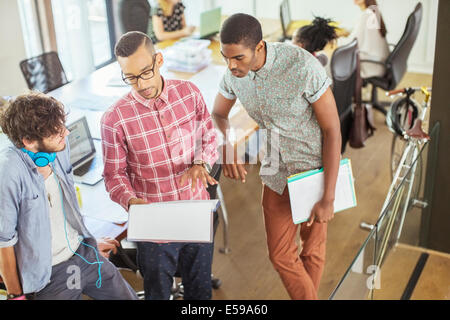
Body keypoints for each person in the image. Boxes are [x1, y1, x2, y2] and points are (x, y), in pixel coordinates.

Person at [212, 13, 341, 300]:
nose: (231, 65)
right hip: (274, 170)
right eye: (226, 57)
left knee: (312, 250)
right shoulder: (233, 73)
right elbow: (218, 113)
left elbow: (332, 130)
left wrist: (328, 197)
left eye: (238, 58)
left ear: (259, 48)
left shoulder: (302, 66)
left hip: (312, 171)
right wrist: (229, 143)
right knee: (281, 255)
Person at [101, 31, 219, 300]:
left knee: (200, 291)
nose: (140, 84)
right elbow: (113, 175)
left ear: (159, 60)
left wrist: (201, 161)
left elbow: (209, 136)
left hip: (195, 212)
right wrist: (130, 200)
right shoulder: (114, 118)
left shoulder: (189, 93)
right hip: (153, 224)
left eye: (145, 72)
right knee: (157, 294)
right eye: (130, 77)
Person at [0, 93, 138, 300]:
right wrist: (16, 295)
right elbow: (4, 243)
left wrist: (86, 238)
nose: (65, 133)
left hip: (84, 252)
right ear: (28, 141)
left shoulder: (58, 149)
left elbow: (66, 206)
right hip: (49, 274)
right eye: (56, 133)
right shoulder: (8, 172)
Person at [339, 0, 389, 78]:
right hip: (380, 62)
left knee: (337, 56)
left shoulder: (366, 15)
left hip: (372, 66)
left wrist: (336, 40)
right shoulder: (373, 11)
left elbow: (351, 43)